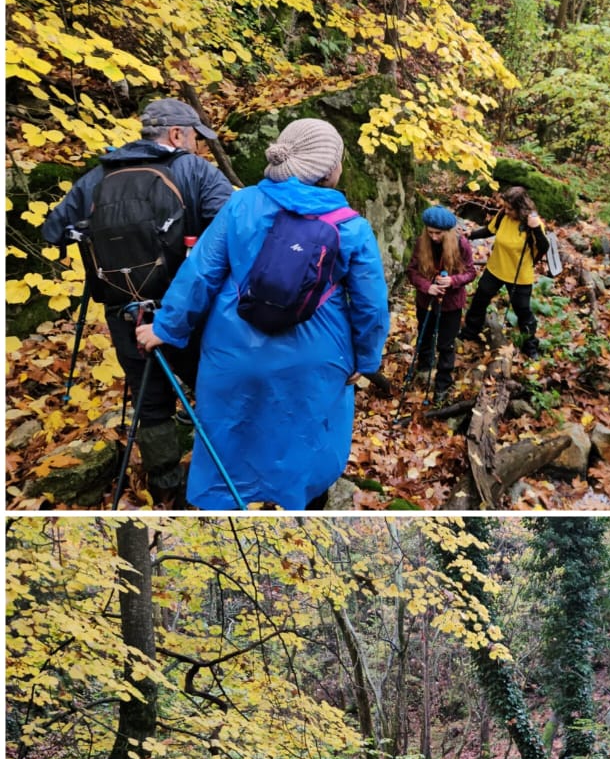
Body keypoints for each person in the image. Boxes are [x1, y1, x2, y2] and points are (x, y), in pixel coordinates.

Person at [134, 118, 389, 509]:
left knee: (230, 436)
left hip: (234, 350)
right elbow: (370, 306)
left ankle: (225, 518)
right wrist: (366, 360)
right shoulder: (351, 228)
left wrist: (166, 327)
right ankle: (296, 513)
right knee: (304, 442)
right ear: (329, 167)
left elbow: (201, 271)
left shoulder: (241, 203)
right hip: (317, 356)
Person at [41, 96, 233, 505]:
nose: (198, 145)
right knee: (215, 386)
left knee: (151, 401)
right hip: (187, 310)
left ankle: (164, 485)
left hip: (124, 311)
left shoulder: (97, 177)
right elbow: (234, 228)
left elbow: (53, 231)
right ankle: (220, 472)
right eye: (196, 137)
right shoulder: (194, 170)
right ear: (178, 134)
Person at [461, 186, 549, 357]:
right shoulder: (503, 216)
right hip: (496, 268)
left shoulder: (532, 224)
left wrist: (537, 228)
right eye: (505, 207)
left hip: (519, 275)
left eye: (510, 208)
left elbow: (544, 246)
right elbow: (489, 230)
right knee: (480, 299)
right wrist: (469, 235)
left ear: (520, 207)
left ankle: (530, 345)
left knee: (522, 311)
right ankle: (470, 331)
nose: (506, 211)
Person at [406, 207, 476, 400]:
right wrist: (427, 286)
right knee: (425, 334)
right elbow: (412, 271)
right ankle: (424, 366)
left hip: (451, 304)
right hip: (426, 300)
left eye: (439, 233)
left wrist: (453, 281)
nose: (434, 237)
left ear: (448, 232)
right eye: (430, 232)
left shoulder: (462, 244)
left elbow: (471, 272)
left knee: (446, 344)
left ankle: (443, 383)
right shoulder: (422, 243)